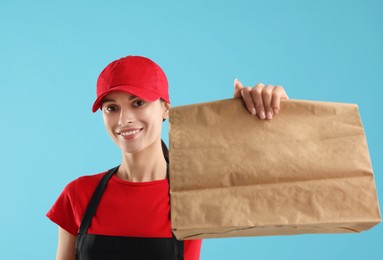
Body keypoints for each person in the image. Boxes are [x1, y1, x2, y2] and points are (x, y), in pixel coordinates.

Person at [47, 55, 289, 260]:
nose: (123, 120)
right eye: (112, 108)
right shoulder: (79, 194)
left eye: (138, 103)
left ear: (165, 108)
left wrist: (271, 119)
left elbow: (277, 192)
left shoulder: (196, 191)